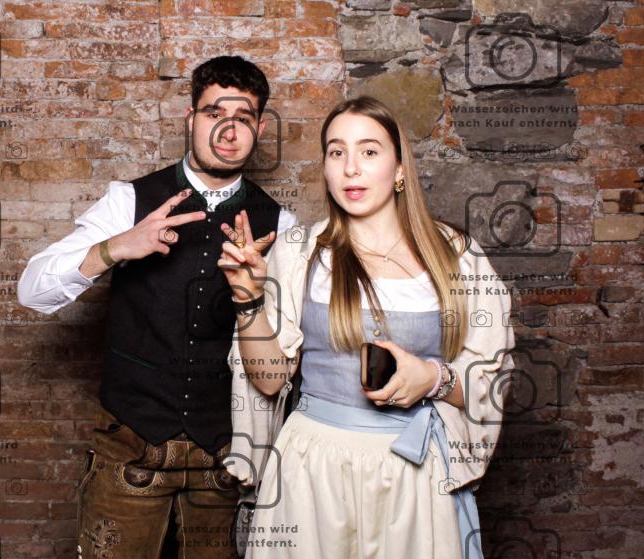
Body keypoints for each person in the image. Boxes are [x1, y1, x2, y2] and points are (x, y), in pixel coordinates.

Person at [17, 56, 297, 559]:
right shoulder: (129, 201)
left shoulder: (281, 225)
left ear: (258, 128)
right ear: (191, 119)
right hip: (131, 451)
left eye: (243, 117)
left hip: (224, 461)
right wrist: (114, 248)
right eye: (214, 113)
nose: (227, 129)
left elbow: (285, 364)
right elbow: (32, 291)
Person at [219, 96, 516, 558]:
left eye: (369, 151)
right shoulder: (300, 252)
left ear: (399, 169)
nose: (351, 168)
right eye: (337, 152)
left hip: (414, 471)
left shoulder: (456, 256)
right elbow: (270, 379)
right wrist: (247, 299)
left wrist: (432, 379)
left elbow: (492, 381)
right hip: (312, 469)